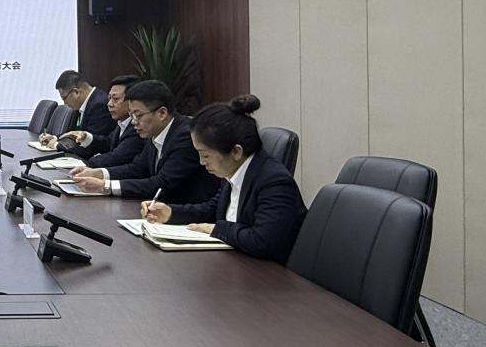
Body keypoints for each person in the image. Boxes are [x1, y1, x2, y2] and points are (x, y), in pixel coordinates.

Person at [141, 95, 307, 262]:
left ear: (236, 152)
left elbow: (262, 241)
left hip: (267, 272)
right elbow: (214, 209)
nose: (201, 162)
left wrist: (217, 229)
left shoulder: (275, 182)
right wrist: (171, 213)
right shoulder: (234, 169)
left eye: (205, 155)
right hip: (237, 260)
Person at [68, 79, 219, 203]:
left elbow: (162, 183)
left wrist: (105, 186)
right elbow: (138, 168)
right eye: (131, 115)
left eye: (138, 115)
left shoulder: (184, 136)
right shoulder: (154, 132)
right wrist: (98, 173)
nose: (134, 122)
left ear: (162, 113)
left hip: (187, 214)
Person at [39, 70, 115, 158]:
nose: (64, 103)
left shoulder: (99, 105)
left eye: (64, 98)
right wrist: (55, 138)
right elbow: (73, 133)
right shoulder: (83, 103)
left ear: (76, 92)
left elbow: (91, 147)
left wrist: (57, 145)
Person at [81, 75, 143, 169]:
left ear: (131, 101)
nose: (109, 104)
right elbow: (107, 142)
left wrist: (85, 164)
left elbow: (117, 157)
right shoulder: (122, 123)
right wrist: (86, 137)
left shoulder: (137, 127)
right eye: (109, 98)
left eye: (116, 99)